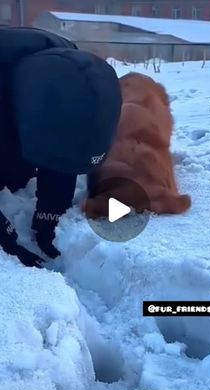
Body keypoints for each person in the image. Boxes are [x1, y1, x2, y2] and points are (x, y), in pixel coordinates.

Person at [0, 26, 122, 267]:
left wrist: (51, 213)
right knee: (10, 176)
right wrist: (7, 243)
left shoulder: (74, 71)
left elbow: (66, 143)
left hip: (19, 94)